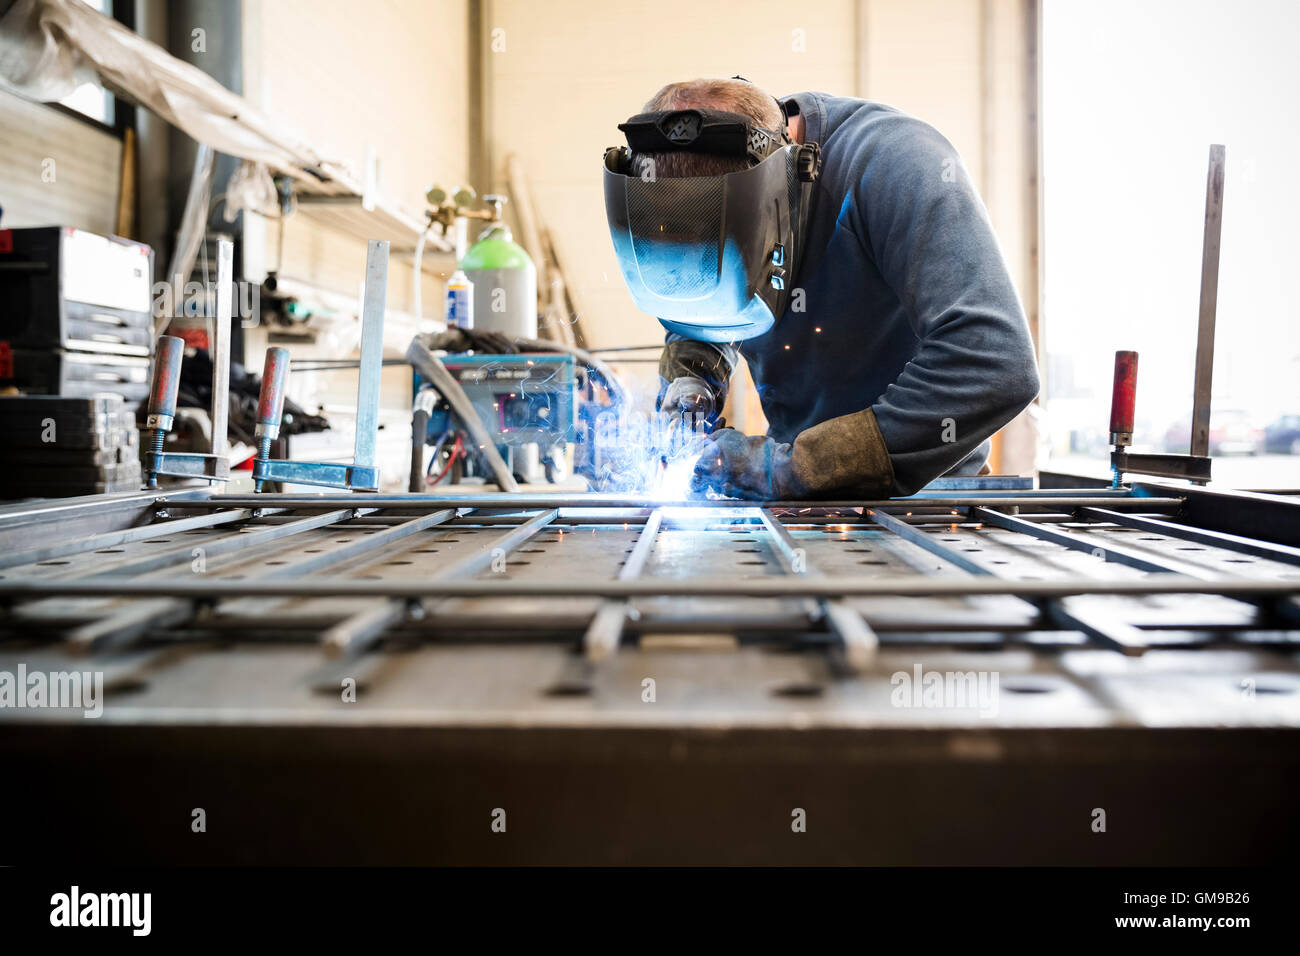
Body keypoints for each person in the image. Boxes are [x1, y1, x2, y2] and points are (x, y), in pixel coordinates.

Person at [602, 77, 1040, 499]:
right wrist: (689, 384)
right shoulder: (721, 188)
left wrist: (790, 470)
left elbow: (994, 362)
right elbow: (705, 307)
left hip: (925, 500)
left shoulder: (896, 162)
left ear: (784, 191)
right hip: (798, 506)